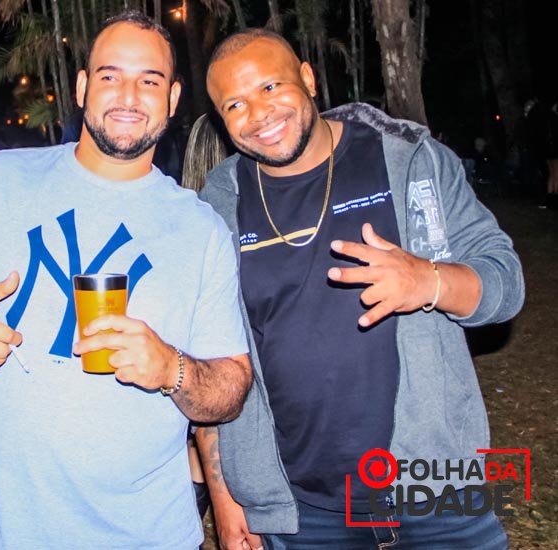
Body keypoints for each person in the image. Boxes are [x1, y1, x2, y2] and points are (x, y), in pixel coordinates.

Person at [0, 11, 251, 550]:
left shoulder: (202, 230)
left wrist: (171, 369)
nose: (128, 96)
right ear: (82, 88)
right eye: (110, 75)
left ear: (173, 99)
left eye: (149, 81)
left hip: (140, 536)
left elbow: (231, 387)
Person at [196, 29, 524, 549]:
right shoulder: (220, 203)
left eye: (271, 86)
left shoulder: (408, 159)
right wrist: (228, 493)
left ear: (308, 78)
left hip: (435, 485)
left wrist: (429, 281)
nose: (258, 113)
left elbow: (505, 281)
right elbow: (214, 355)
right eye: (234, 104)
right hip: (302, 510)